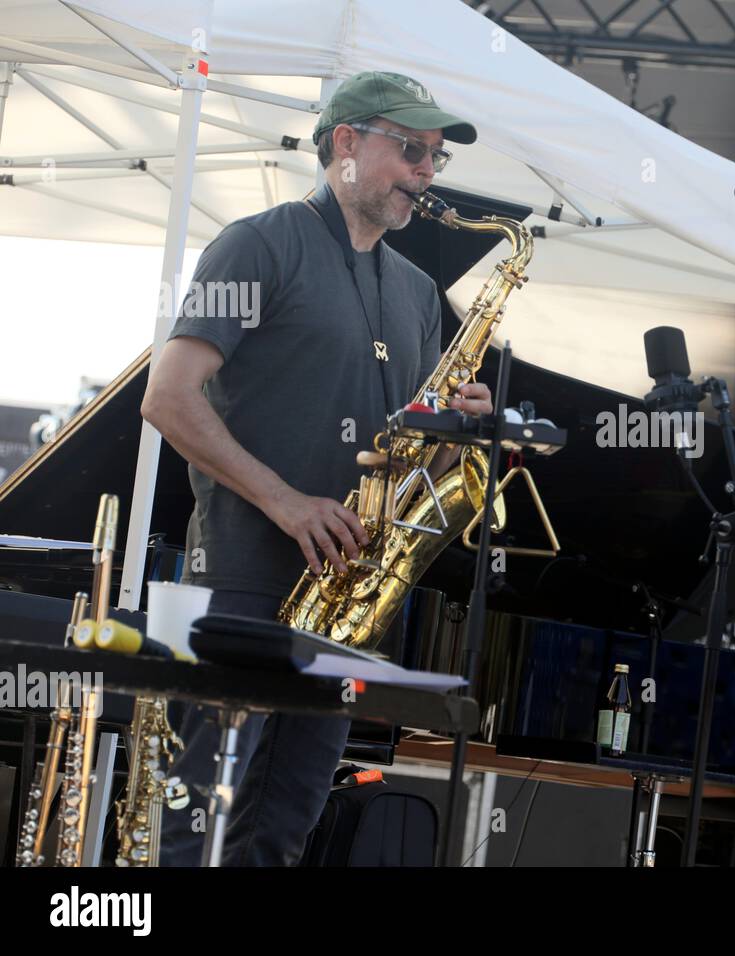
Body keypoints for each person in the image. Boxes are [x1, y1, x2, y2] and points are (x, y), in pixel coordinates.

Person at [141, 71, 489, 865]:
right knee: (197, 833)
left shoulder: (418, 291)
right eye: (410, 149)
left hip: (343, 603)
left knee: (281, 834)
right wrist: (289, 504)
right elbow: (167, 397)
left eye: (436, 157)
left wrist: (456, 433)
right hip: (237, 585)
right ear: (345, 144)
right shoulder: (257, 242)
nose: (427, 172)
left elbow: (412, 459)